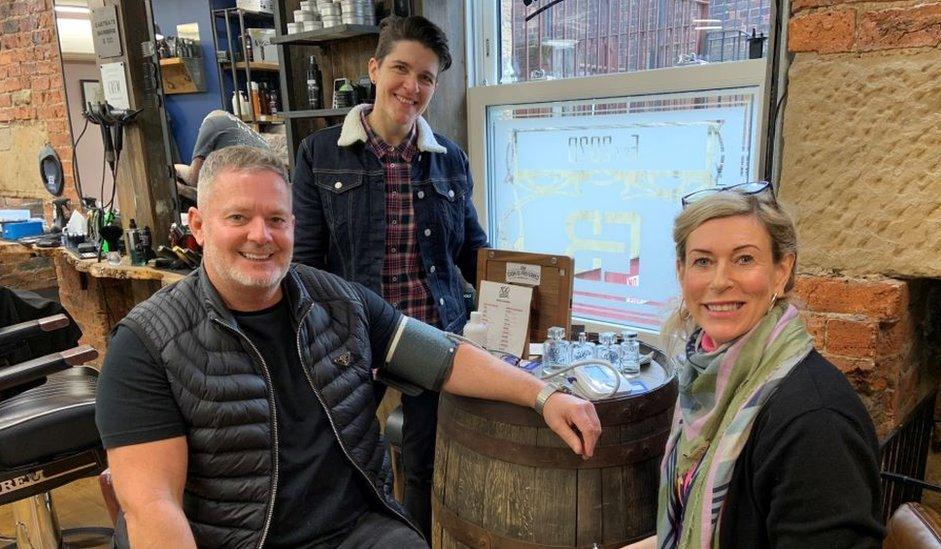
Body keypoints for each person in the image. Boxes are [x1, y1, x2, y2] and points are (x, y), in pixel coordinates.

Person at [94, 146, 600, 548]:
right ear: (199, 226)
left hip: (356, 530)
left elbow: (443, 358)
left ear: (294, 225)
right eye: (238, 218)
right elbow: (152, 507)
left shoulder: (340, 301)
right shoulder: (147, 345)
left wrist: (544, 395)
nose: (261, 236)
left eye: (277, 219)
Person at [290, 15, 488, 539]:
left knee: (423, 464)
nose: (412, 86)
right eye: (401, 69)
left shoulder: (450, 160)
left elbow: (473, 252)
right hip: (350, 337)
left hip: (430, 334)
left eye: (426, 77)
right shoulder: (320, 154)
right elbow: (305, 264)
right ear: (374, 69)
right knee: (335, 456)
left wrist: (524, 295)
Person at [626, 182, 884, 548]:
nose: (720, 281)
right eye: (703, 261)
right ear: (682, 273)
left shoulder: (815, 422)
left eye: (744, 259)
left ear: (782, 270)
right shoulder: (706, 382)